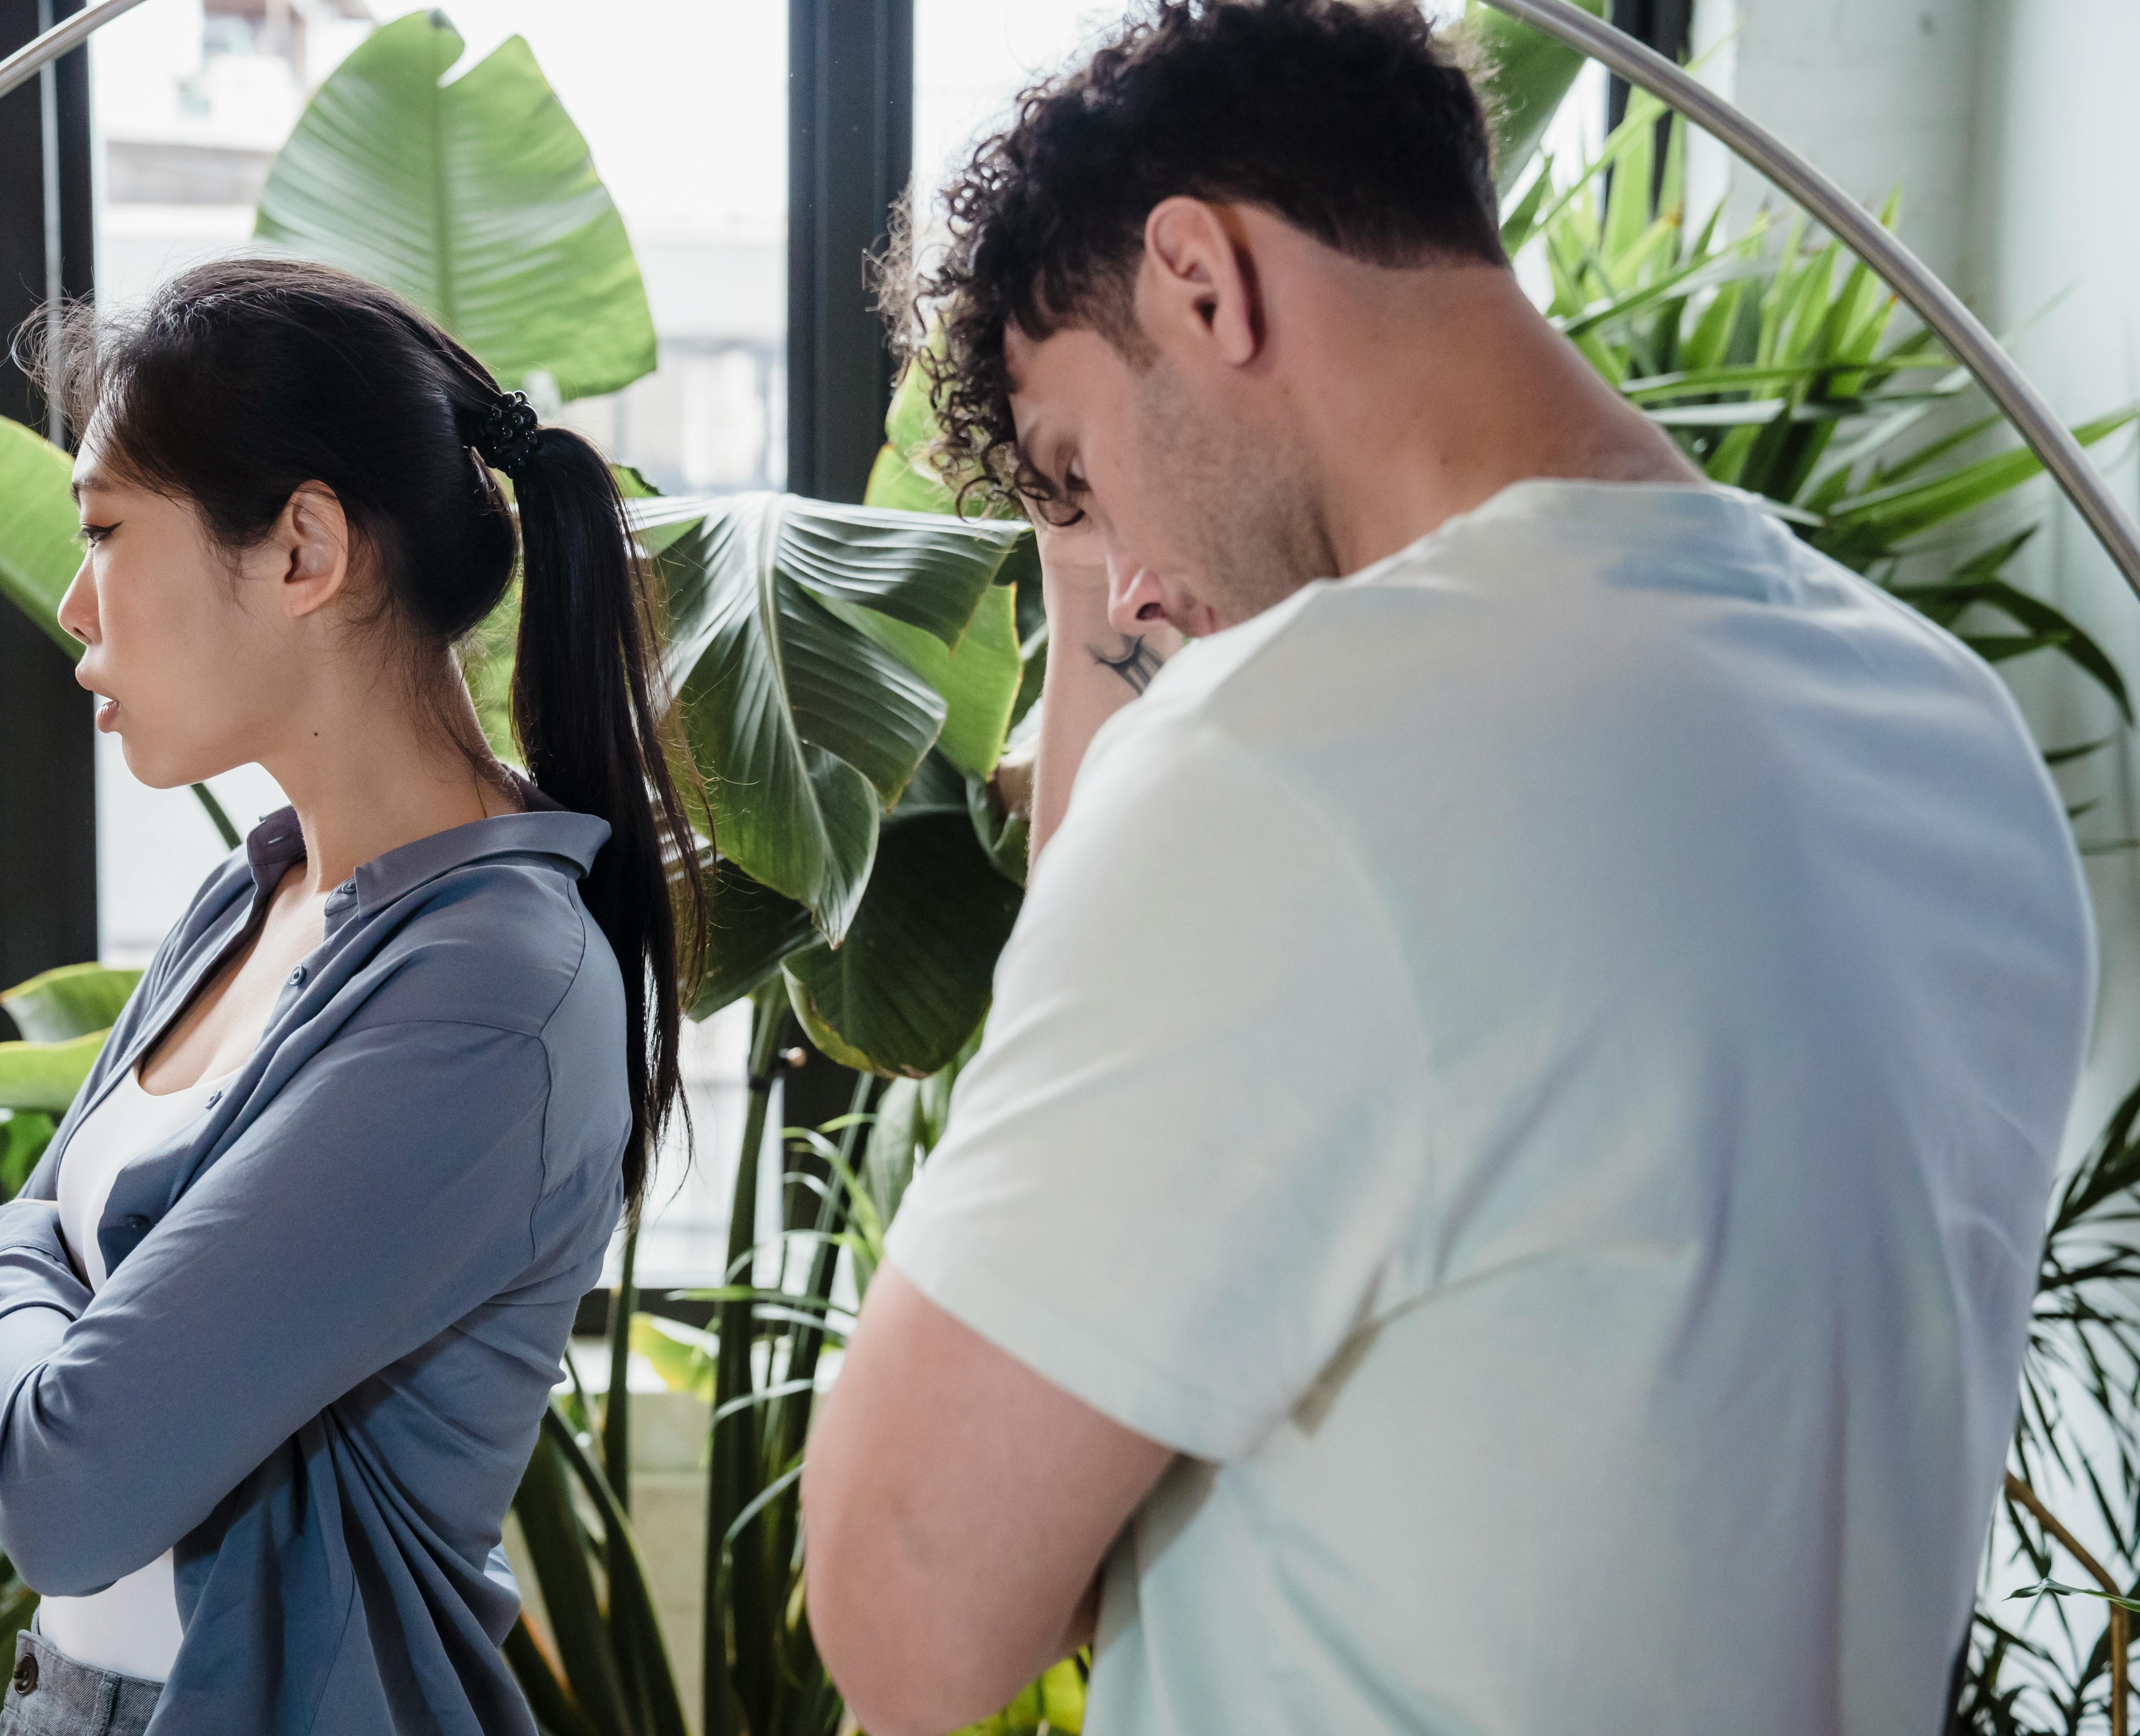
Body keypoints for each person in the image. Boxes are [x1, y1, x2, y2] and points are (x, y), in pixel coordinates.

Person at [801, 4, 2096, 1733]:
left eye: (1079, 477)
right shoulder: (1947, 732)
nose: (1123, 592)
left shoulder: (1292, 763)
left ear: (1203, 280)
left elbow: (908, 1618)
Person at [0, 256, 700, 1736]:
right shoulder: (258, 894)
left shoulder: (493, 992)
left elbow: (68, 1484)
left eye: (105, 529)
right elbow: (71, 1355)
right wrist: (30, 1281)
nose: (77, 603)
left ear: (304, 550)